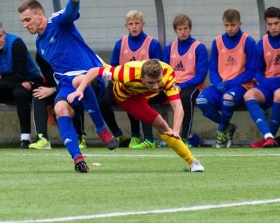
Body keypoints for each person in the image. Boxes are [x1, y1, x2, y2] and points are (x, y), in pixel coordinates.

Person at [18, 0, 118, 173]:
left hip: (91, 77)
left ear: (40, 14)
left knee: (79, 80)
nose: (25, 25)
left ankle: (101, 129)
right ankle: (77, 158)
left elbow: (70, 13)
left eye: (27, 19)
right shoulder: (40, 44)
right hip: (66, 84)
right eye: (23, 21)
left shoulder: (58, 22)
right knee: (60, 109)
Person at [69, 59, 204, 173]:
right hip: (127, 97)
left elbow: (178, 107)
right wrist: (80, 90)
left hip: (144, 94)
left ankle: (193, 163)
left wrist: (175, 131)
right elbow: (94, 71)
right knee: (161, 124)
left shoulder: (167, 75)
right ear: (141, 77)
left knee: (167, 128)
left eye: (158, 81)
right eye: (151, 82)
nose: (156, 86)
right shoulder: (127, 73)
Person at [196, 8, 256, 148]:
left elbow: (250, 71)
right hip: (221, 85)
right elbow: (213, 67)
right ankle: (228, 126)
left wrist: (231, 83)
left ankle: (221, 130)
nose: (230, 28)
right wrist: (216, 83)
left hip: (241, 85)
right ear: (223, 24)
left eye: (233, 25)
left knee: (228, 99)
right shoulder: (217, 42)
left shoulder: (248, 41)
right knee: (201, 100)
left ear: (239, 24)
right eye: (227, 25)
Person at [245, 7, 280, 148]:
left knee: (279, 94)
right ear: (265, 24)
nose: (273, 27)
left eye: (276, 23)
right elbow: (257, 72)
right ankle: (268, 136)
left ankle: (269, 138)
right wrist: (266, 81)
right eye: (270, 24)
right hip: (268, 85)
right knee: (249, 95)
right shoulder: (261, 44)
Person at [0, 22, 43, 148]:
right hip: (12, 84)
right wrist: (10, 82)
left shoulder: (16, 43)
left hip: (29, 82)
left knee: (20, 92)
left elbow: (19, 74)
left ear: (5, 34)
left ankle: (25, 138)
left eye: (0, 36)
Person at [107, 10, 164, 149]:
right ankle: (118, 134)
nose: (134, 27)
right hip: (124, 84)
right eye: (131, 24)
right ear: (126, 26)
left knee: (137, 97)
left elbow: (160, 69)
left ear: (143, 24)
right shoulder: (120, 44)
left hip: (149, 87)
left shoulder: (153, 44)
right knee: (102, 100)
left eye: (137, 23)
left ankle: (145, 138)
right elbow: (113, 67)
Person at [162, 14, 209, 146]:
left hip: (193, 85)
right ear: (175, 30)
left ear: (190, 29)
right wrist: (169, 85)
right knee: (150, 96)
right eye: (180, 29)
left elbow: (201, 75)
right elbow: (164, 71)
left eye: (185, 29)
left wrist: (182, 85)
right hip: (172, 85)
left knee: (185, 97)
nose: (183, 32)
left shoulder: (199, 47)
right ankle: (149, 138)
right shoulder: (169, 48)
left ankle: (184, 137)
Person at [30, 54, 86, 150]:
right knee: (38, 94)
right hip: (56, 89)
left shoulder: (67, 52)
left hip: (72, 88)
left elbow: (73, 80)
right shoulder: (41, 55)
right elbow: (50, 79)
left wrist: (53, 90)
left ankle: (79, 137)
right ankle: (42, 139)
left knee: (74, 97)